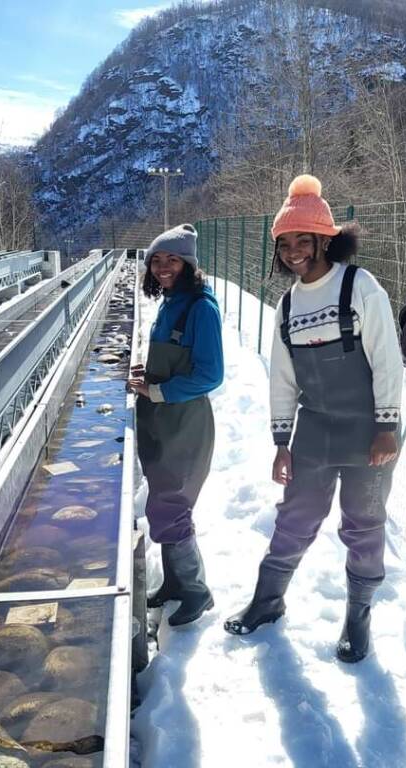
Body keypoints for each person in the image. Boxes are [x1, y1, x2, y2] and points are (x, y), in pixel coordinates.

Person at [223, 175, 403, 663]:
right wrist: (282, 440)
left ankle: (357, 619)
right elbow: (283, 378)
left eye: (303, 240)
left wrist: (387, 426)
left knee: (364, 524)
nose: (294, 251)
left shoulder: (359, 286)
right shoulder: (288, 305)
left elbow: (387, 359)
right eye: (285, 243)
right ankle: (267, 601)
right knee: (295, 518)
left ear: (326, 239)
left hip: (369, 430)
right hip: (315, 428)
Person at [128, 223, 224, 626]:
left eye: (173, 260)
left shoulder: (200, 307)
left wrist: (159, 392)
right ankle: (173, 583)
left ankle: (196, 591)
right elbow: (174, 360)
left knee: (172, 507)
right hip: (162, 421)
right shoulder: (170, 302)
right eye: (157, 260)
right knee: (165, 504)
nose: (163, 267)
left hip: (185, 425)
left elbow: (210, 375)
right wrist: (146, 374)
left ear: (189, 264)